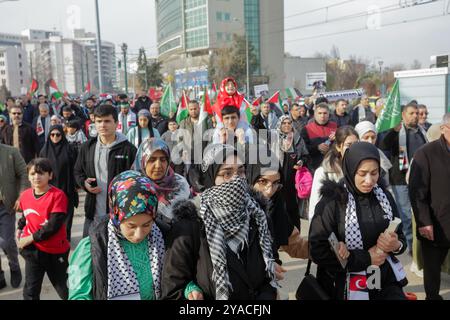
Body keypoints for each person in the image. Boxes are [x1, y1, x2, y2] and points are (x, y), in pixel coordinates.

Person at [162, 144, 279, 300]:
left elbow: (270, 272)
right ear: (210, 178)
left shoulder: (258, 215)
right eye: (227, 173)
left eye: (241, 171)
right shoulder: (190, 224)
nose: (236, 180)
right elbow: (173, 289)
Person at [309, 142, 408, 300]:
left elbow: (401, 237)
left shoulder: (384, 197)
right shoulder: (332, 201)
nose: (369, 181)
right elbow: (317, 250)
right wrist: (364, 259)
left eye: (374, 173)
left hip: (383, 280)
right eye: (362, 173)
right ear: (350, 169)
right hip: (344, 284)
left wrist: (396, 245)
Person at [68, 170, 164, 300]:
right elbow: (78, 295)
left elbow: (176, 276)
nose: (138, 235)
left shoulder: (161, 237)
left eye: (147, 225)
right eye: (131, 226)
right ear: (115, 215)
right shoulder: (92, 247)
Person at [74, 104, 137, 237]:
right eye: (99, 121)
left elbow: (136, 179)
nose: (103, 125)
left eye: (107, 121)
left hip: (120, 215)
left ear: (116, 123)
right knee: (90, 253)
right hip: (93, 214)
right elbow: (78, 172)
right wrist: (84, 184)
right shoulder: (87, 147)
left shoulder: (128, 150)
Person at [408, 113, 450, 300]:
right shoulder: (426, 153)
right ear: (443, 129)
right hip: (435, 223)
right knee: (432, 270)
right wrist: (424, 222)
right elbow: (417, 192)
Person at [16, 158, 70, 300]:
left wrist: (29, 238)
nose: (36, 177)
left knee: (65, 290)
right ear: (28, 176)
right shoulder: (25, 195)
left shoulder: (58, 196)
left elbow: (52, 226)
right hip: (33, 251)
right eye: (33, 174)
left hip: (55, 251)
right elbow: (26, 215)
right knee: (30, 292)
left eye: (41, 173)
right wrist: (20, 228)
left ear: (50, 175)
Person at [378, 103, 428, 252]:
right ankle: (411, 246)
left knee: (419, 212)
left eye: (417, 113)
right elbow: (383, 145)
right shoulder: (398, 132)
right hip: (400, 180)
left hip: (420, 180)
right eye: (412, 113)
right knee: (406, 215)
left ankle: (419, 244)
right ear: (403, 115)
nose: (415, 116)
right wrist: (394, 131)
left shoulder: (421, 132)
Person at [247, 161, 309, 260]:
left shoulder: (276, 205)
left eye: (276, 183)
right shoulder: (235, 210)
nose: (269, 190)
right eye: (263, 182)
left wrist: (324, 248)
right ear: (250, 178)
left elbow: (295, 245)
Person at [133, 138, 190, 235]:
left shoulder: (180, 184)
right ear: (142, 162)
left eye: (163, 159)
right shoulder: (132, 187)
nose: (158, 165)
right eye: (152, 159)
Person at [308, 126, 359, 221]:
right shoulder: (324, 172)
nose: (353, 148)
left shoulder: (362, 170)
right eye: (349, 145)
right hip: (333, 227)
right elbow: (315, 207)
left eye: (356, 144)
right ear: (339, 147)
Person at [39, 125, 78, 241]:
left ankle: (65, 240)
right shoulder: (44, 151)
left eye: (58, 134)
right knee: (52, 216)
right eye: (52, 134)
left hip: (67, 189)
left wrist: (76, 185)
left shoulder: (70, 149)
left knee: (67, 216)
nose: (55, 137)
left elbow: (76, 167)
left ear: (62, 135)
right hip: (50, 190)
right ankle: (53, 239)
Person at [0, 143, 28, 290]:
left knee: (6, 242)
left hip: (6, 205)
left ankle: (14, 266)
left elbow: (24, 172)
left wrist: (22, 194)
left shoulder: (11, 152)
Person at [275, 115, 309, 228]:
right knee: (280, 208)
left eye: (289, 123)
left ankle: (297, 233)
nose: (286, 125)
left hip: (294, 180)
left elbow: (305, 155)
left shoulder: (297, 138)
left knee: (293, 208)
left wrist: (301, 162)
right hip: (278, 179)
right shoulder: (274, 138)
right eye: (284, 123)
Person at [301, 103, 337, 171]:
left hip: (333, 164)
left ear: (329, 114)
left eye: (325, 113)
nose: (322, 116)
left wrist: (334, 144)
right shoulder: (307, 129)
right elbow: (303, 149)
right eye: (319, 113)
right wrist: (317, 147)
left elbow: (341, 144)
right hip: (315, 167)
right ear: (315, 114)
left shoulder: (335, 126)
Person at [355, 121, 392, 188]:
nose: (370, 141)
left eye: (373, 137)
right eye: (366, 137)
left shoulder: (380, 154)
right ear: (358, 138)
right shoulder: (352, 156)